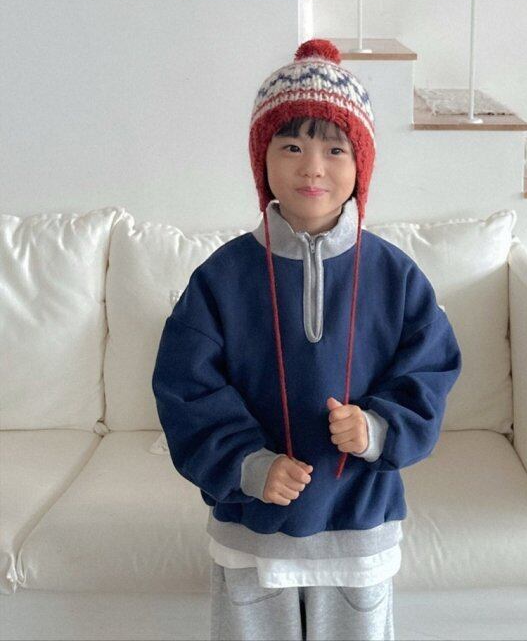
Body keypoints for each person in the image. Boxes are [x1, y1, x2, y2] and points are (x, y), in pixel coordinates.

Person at [151, 37, 462, 641]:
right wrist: (246, 463)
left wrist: (377, 428)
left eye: (334, 148)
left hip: (360, 523)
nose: (312, 166)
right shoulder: (220, 277)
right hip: (252, 525)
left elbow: (430, 369)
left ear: (360, 164)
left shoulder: (396, 277)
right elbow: (185, 384)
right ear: (262, 160)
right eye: (291, 146)